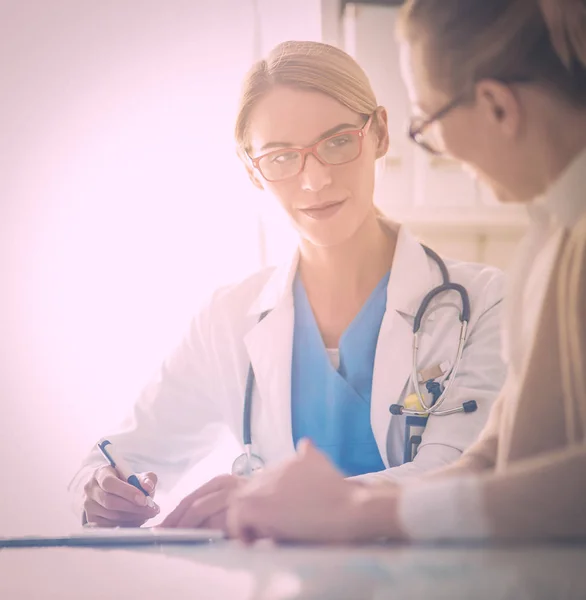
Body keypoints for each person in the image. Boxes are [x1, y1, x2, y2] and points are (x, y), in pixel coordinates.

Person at [70, 40, 506, 530]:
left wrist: (274, 500)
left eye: (339, 141)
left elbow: (462, 474)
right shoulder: (227, 319)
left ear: (380, 133)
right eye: (281, 157)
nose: (315, 179)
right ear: (252, 169)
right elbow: (122, 456)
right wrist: (100, 488)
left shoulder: (485, 302)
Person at [226, 0, 586, 544]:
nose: (315, 180)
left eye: (428, 122)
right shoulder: (555, 233)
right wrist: (340, 503)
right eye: (281, 157)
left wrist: (360, 515)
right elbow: (501, 451)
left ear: (496, 106)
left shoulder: (537, 256)